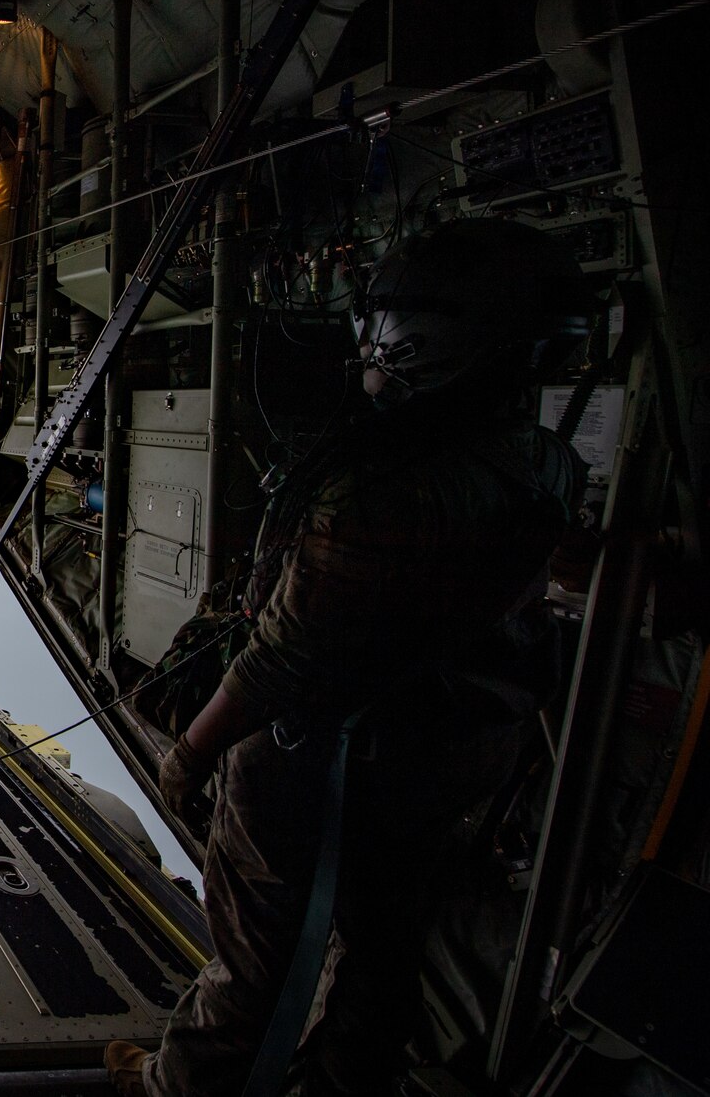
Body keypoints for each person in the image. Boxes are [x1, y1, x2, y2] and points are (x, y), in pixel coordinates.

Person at [106, 219, 591, 1096]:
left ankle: (177, 1086)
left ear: (419, 347)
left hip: (322, 759)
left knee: (256, 957)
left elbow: (279, 663)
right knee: (383, 950)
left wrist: (188, 756)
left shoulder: (375, 492)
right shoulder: (547, 463)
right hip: (448, 754)